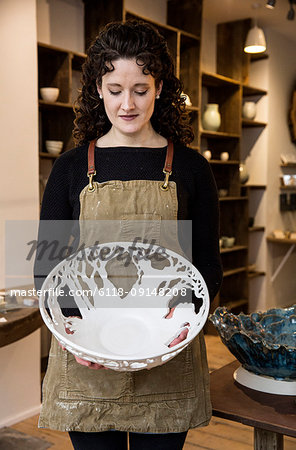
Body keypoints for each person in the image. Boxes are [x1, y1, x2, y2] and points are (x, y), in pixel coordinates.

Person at [35, 19, 222, 450]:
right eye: (115, 89)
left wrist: (185, 325)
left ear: (160, 87)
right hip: (87, 361)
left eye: (140, 89)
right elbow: (47, 268)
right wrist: (73, 331)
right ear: (98, 89)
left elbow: (208, 266)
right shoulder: (69, 168)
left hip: (167, 359)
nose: (127, 104)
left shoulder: (192, 169)